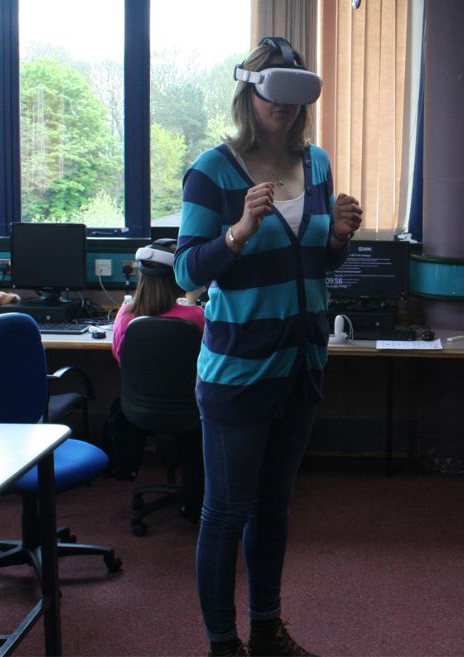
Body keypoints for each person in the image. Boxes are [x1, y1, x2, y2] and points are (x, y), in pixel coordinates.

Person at [174, 36, 362, 657]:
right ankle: (223, 644)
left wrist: (337, 238)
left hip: (302, 362)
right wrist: (238, 231)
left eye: (292, 95)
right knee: (226, 513)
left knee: (275, 509)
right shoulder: (213, 170)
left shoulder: (318, 164)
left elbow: (319, 265)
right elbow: (186, 274)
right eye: (269, 92)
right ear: (248, 94)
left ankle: (267, 629)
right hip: (237, 370)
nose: (281, 108)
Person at [110, 238, 205, 364]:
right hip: (189, 383)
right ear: (178, 277)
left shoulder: (124, 314)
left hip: (136, 384)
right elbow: (207, 355)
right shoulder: (196, 315)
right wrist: (192, 299)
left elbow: (120, 357)